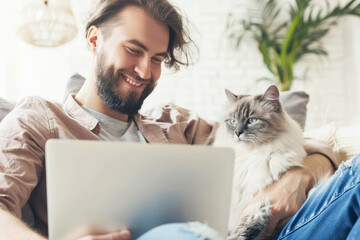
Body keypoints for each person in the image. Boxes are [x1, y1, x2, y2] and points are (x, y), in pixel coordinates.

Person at [0, 0, 349, 239]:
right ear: (94, 40)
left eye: (157, 59)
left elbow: (318, 148)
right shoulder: (39, 119)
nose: (144, 71)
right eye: (134, 50)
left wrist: (299, 177)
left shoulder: (179, 124)